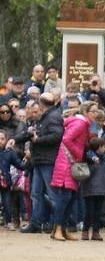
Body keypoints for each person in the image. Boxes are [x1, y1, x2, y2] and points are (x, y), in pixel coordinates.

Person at [19, 91, 63, 234]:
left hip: (48, 160)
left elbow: (57, 136)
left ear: (41, 104)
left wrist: (38, 140)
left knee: (52, 193)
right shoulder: (44, 117)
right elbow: (33, 134)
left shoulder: (53, 117)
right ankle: (36, 223)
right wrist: (16, 138)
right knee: (36, 193)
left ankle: (56, 223)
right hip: (39, 160)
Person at [49, 104, 91, 241]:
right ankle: (57, 229)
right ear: (85, 112)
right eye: (93, 111)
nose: (96, 114)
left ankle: (62, 229)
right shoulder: (80, 124)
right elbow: (66, 139)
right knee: (65, 197)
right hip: (68, 163)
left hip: (68, 162)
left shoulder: (82, 123)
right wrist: (78, 154)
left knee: (70, 197)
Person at [80, 134, 105, 240]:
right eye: (103, 146)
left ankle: (95, 232)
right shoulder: (90, 159)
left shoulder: (104, 160)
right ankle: (85, 230)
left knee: (98, 212)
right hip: (90, 190)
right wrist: (92, 158)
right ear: (98, 148)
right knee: (89, 212)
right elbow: (87, 157)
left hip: (101, 191)